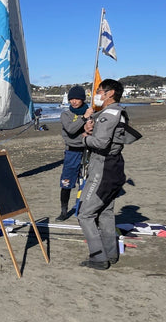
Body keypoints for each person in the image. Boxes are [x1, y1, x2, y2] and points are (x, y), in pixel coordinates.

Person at [77, 79, 141, 270]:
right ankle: (111, 253)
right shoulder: (118, 113)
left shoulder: (110, 113)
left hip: (104, 167)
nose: (96, 94)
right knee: (105, 212)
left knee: (85, 215)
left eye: (99, 91)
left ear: (110, 93)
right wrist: (90, 127)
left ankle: (98, 258)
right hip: (114, 167)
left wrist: (85, 138)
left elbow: (102, 143)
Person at [56, 86, 93, 221]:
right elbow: (71, 130)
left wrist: (88, 129)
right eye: (71, 99)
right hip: (72, 152)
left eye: (77, 98)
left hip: (88, 151)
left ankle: (85, 210)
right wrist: (84, 119)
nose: (74, 101)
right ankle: (64, 211)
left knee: (87, 182)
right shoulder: (66, 115)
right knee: (66, 183)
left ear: (82, 99)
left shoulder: (91, 113)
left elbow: (93, 132)